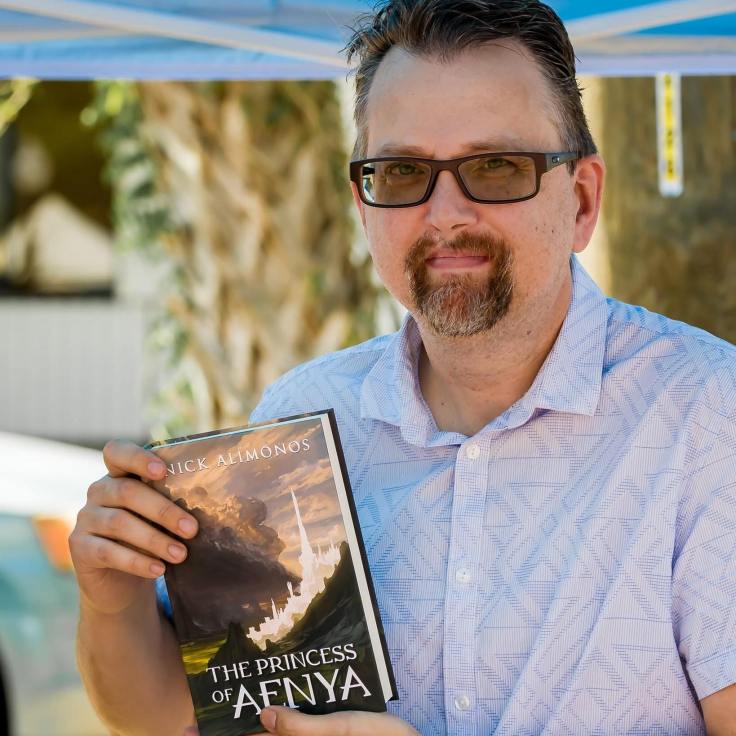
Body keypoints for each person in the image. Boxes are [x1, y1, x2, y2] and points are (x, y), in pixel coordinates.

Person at [70, 1, 736, 734]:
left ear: (581, 200)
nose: (445, 213)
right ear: (364, 206)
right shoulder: (306, 413)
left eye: (495, 167)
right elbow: (173, 714)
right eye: (401, 171)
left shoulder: (708, 413)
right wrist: (113, 599)